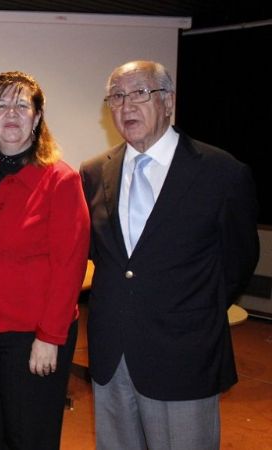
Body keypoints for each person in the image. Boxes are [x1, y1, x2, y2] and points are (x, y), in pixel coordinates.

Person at [80, 60, 259, 450]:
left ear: (168, 101)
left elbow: (238, 262)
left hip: (183, 355)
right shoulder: (94, 172)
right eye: (117, 96)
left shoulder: (221, 173)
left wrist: (188, 312)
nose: (127, 106)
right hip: (112, 354)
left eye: (140, 93)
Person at [0, 71, 90, 449]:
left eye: (22, 105)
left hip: (32, 338)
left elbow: (70, 267)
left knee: (30, 438)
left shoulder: (60, 181)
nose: (11, 113)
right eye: (1, 104)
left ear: (37, 117)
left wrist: (49, 338)